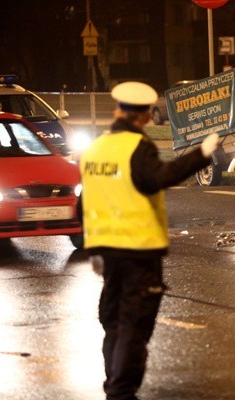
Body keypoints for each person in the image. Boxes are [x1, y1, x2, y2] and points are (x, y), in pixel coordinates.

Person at [79, 81, 219, 400]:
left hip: (106, 250)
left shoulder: (96, 147)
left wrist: (93, 249)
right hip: (139, 250)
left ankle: (113, 384)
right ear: (144, 116)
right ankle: (121, 392)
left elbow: (84, 200)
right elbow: (158, 178)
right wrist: (201, 154)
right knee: (134, 324)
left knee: (114, 321)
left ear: (117, 110)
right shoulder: (137, 147)